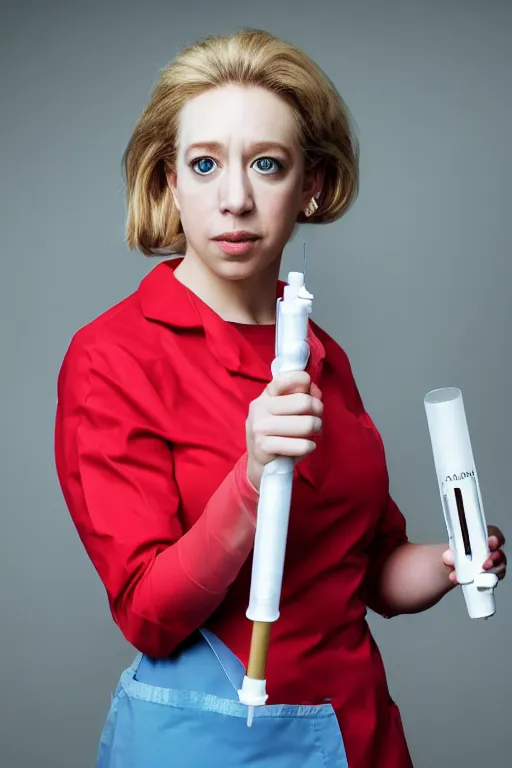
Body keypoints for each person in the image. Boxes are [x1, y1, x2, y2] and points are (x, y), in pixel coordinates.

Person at [54, 28, 507, 768]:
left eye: (266, 164)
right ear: (169, 182)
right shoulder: (115, 356)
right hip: (217, 738)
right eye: (204, 165)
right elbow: (149, 614)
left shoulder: (320, 355)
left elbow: (367, 569)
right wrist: (251, 471)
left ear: (313, 185)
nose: (234, 199)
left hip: (357, 728)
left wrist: (449, 564)